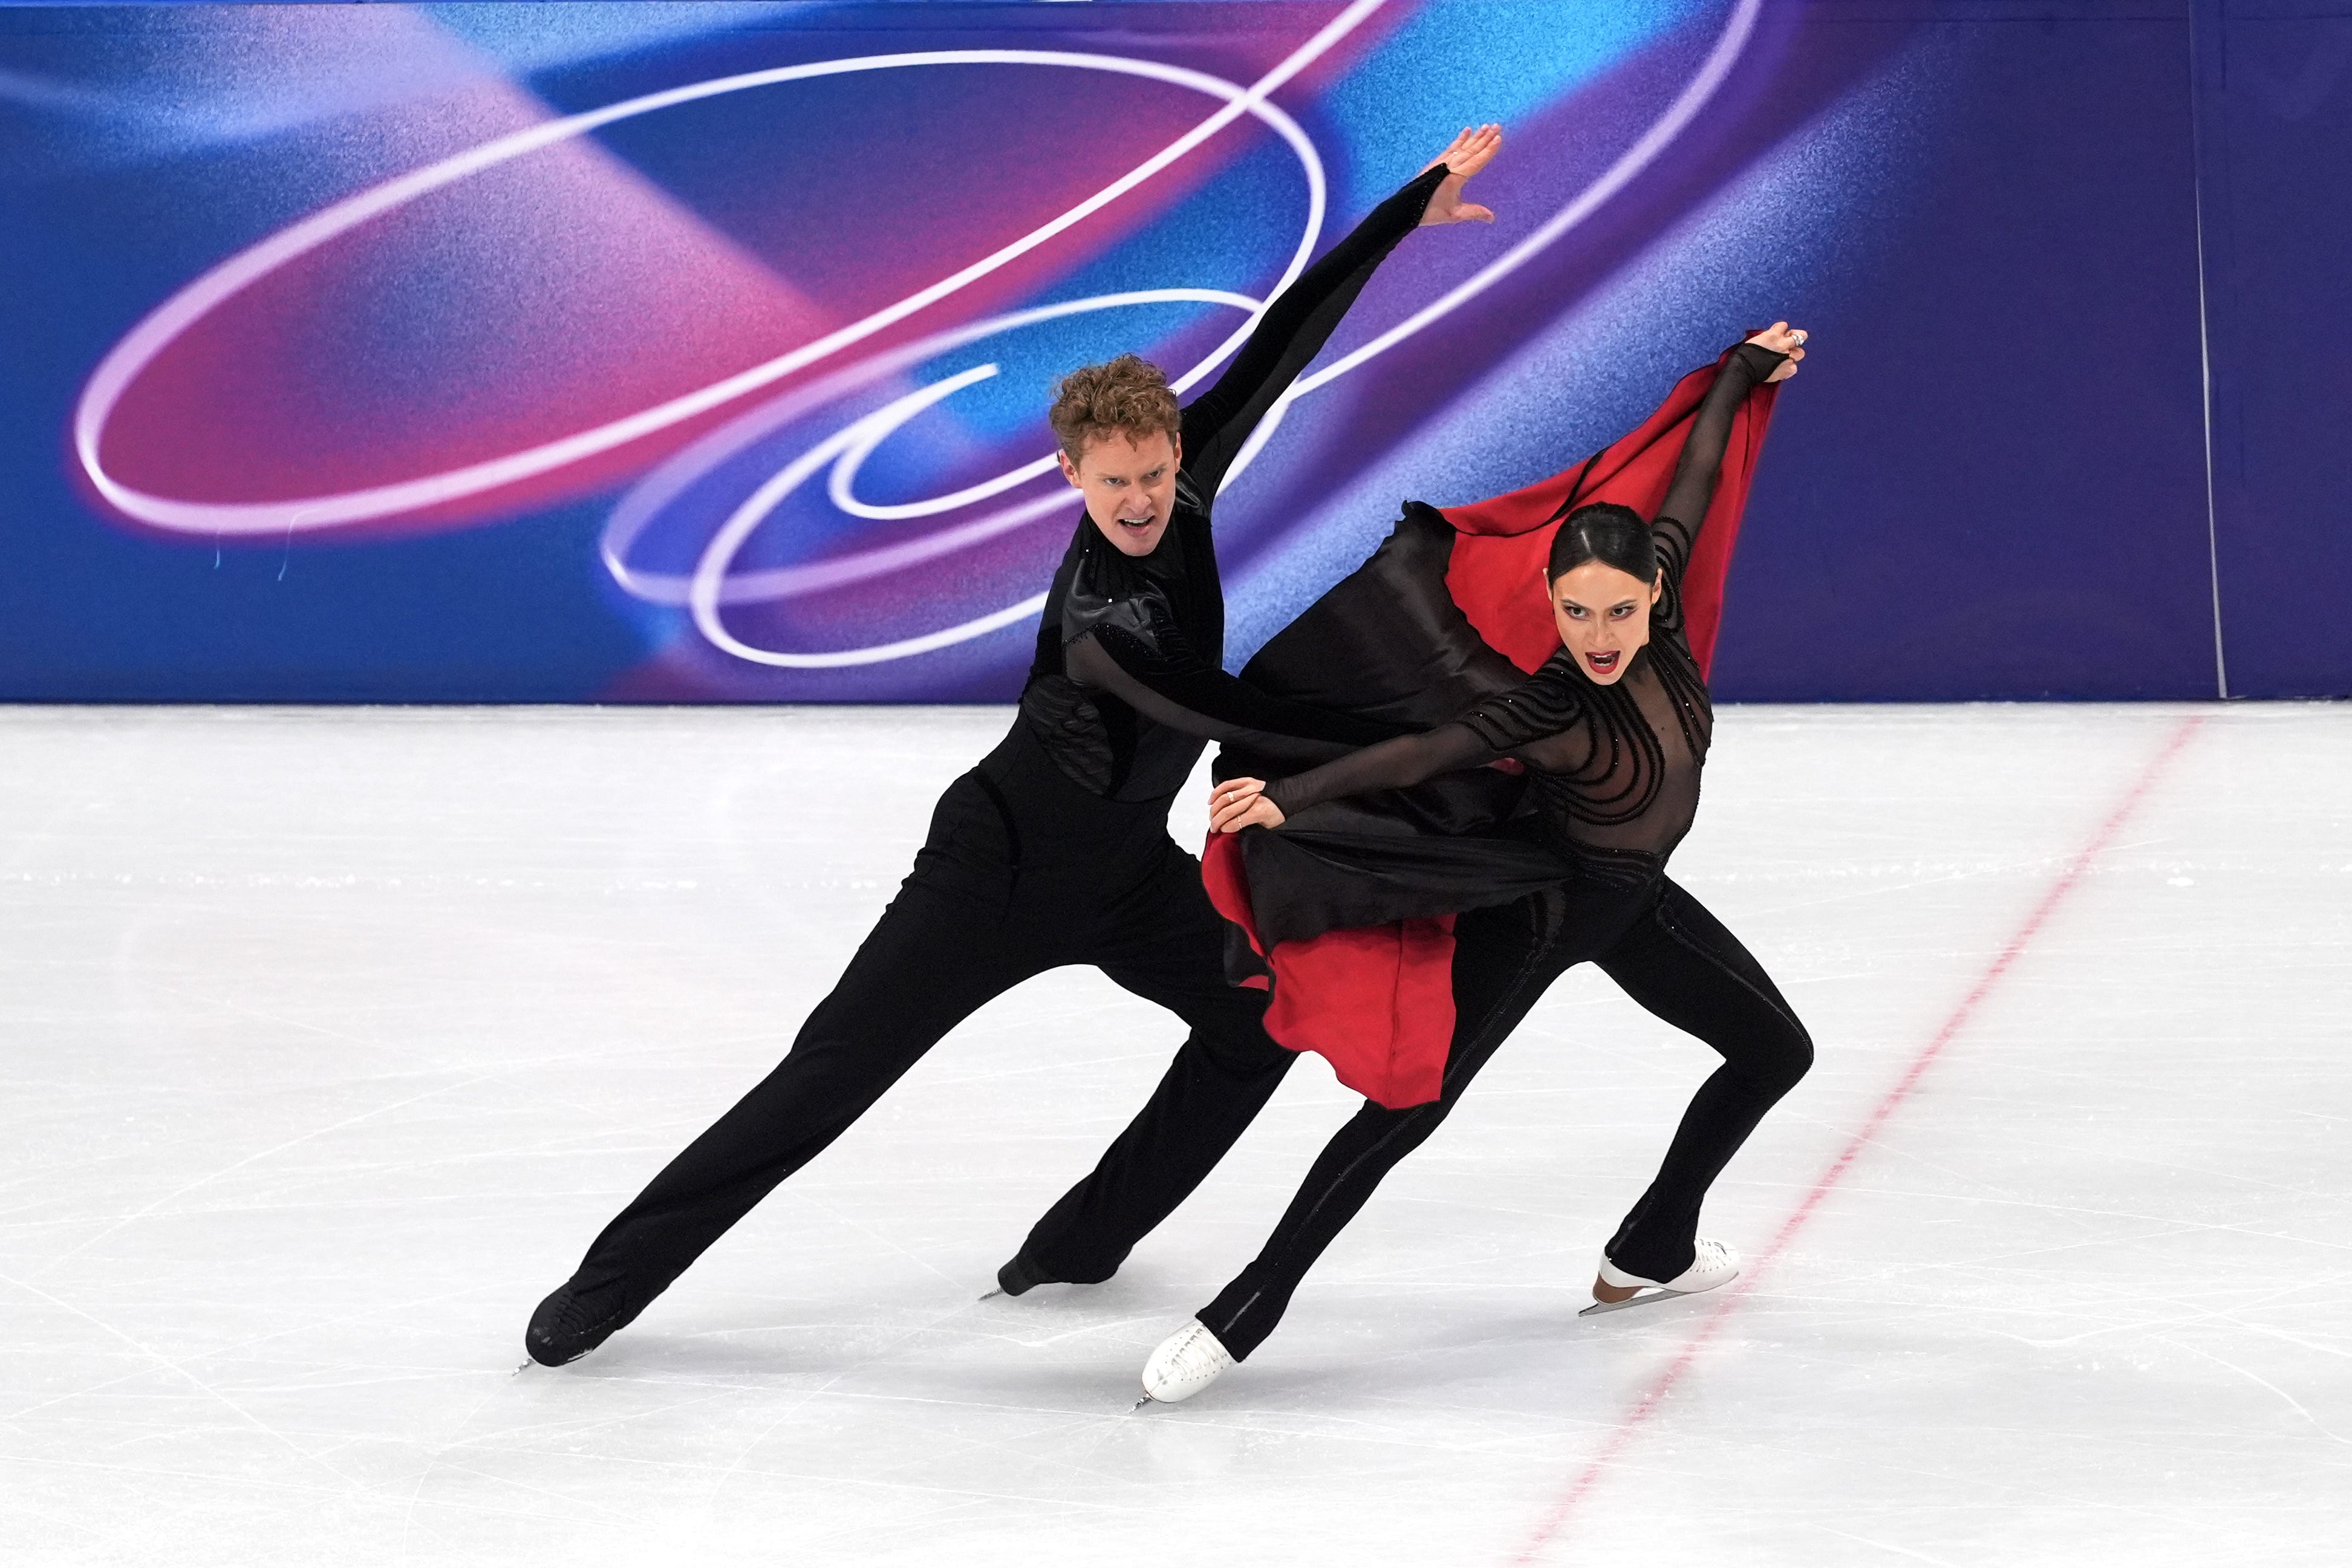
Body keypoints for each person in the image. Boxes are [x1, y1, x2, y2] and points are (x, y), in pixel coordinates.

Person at [523, 126, 1507, 1367]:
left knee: (1260, 1020)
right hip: (992, 870)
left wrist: (1408, 208)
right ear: (1070, 476)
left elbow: (1286, 335)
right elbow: (1222, 711)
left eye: (1154, 473)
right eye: (1114, 483)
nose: (1140, 500)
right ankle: (604, 1286)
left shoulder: (1184, 486)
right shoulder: (1104, 616)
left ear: (1176, 453)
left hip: (1122, 871)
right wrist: (1428, 736)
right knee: (829, 1076)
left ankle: (1082, 1240)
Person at [1133, 324, 1817, 1403]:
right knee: (1408, 1109)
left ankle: (1652, 1243)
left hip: (1635, 903)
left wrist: (1736, 371)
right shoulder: (1547, 704)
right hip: (1541, 908)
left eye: (1618, 610)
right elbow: (1419, 752)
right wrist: (1287, 796)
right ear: (1551, 599)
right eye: (1575, 611)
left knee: (1775, 1050)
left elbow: (1690, 477)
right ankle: (1241, 1311)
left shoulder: (1667, 611)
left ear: (1655, 587)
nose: (1598, 634)